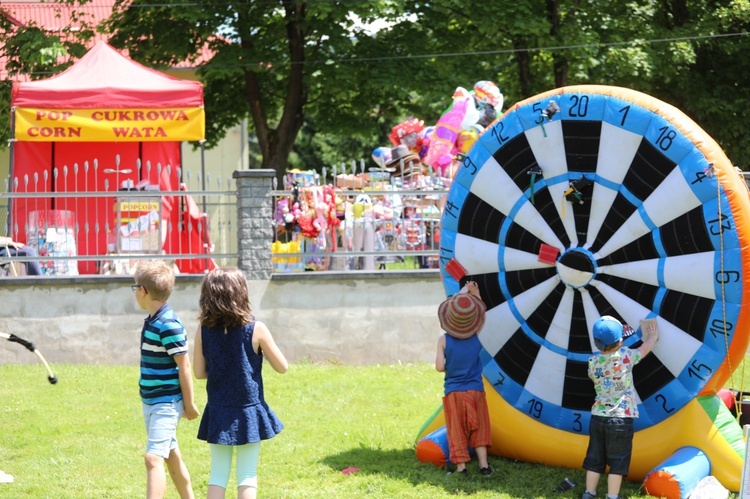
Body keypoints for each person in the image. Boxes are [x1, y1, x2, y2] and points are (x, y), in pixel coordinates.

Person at [193, 267, 288, 499]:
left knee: (218, 473)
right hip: (248, 412)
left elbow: (198, 372)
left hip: (218, 409)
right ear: (242, 293)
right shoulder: (257, 329)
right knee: (247, 474)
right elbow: (282, 367)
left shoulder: (203, 330)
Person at [133, 260, 200, 499]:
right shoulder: (153, 320)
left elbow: (184, 366)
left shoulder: (168, 324)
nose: (134, 293)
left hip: (166, 402)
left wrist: (189, 404)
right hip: (151, 401)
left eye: (134, 288)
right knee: (171, 454)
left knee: (153, 458)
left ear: (143, 291)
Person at [581, 316, 659, 499]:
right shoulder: (625, 356)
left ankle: (589, 493)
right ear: (620, 340)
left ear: (596, 342)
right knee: (618, 461)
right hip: (621, 419)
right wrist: (652, 338)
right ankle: (612, 496)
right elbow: (643, 350)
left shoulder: (592, 362)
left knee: (594, 459)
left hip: (598, 417)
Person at [435, 281, 492, 477]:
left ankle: (461, 468)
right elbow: (481, 317)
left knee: (456, 429)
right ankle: (484, 466)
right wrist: (476, 294)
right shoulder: (475, 335)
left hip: (454, 392)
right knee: (480, 428)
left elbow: (439, 367)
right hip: (475, 390)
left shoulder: (443, 340)